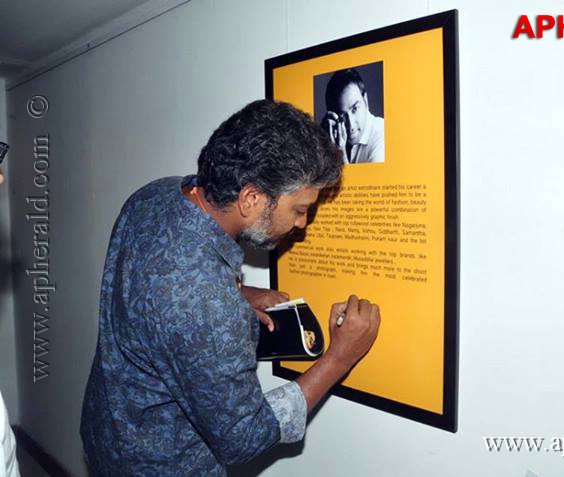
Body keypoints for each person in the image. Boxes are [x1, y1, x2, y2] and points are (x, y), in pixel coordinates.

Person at [80, 100, 381, 476]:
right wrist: (339, 358)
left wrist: (236, 293)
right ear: (251, 199)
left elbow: (153, 285)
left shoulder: (154, 196)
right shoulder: (205, 304)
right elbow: (244, 436)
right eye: (300, 208)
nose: (303, 223)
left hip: (104, 436)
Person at [322, 68, 385, 164]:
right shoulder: (336, 139)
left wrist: (340, 153)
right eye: (341, 115)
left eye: (355, 109)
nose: (351, 125)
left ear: (365, 100)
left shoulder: (382, 133)